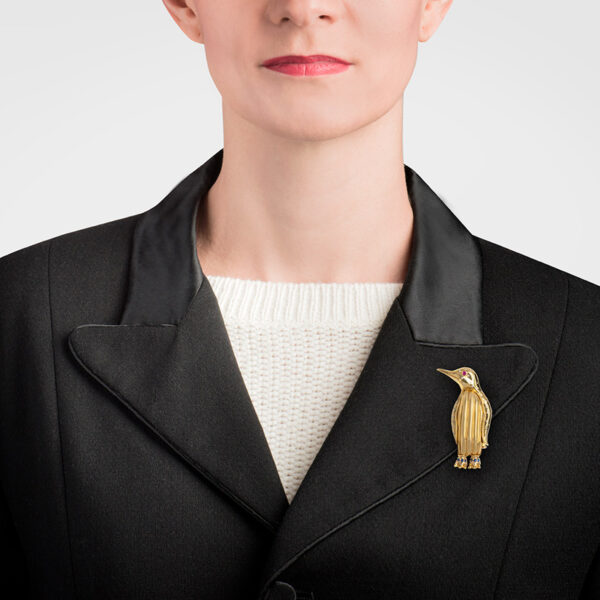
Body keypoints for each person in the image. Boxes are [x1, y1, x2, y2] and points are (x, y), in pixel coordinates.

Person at [1, 1, 598, 598]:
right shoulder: (17, 318)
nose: (304, 7)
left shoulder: (587, 350)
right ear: (185, 5)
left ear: (432, 3)